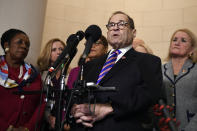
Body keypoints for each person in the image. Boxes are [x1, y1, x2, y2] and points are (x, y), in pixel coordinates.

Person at [70, 11, 163, 131]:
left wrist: (109, 108)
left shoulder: (147, 61)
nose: (115, 28)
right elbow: (76, 96)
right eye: (111, 25)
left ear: (133, 33)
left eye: (121, 24)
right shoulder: (91, 64)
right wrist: (76, 109)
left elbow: (149, 95)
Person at [0, 28, 45, 131]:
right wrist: (7, 128)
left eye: (27, 45)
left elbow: (41, 103)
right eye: (19, 42)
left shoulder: (33, 74)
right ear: (7, 45)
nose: (24, 46)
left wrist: (28, 128)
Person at [162, 28, 197, 131]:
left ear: (191, 49)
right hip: (164, 127)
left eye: (183, 40)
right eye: (174, 39)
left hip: (190, 126)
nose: (177, 42)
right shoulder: (159, 69)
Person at [37, 38, 69, 130]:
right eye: (54, 50)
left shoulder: (70, 74)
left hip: (65, 122)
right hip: (45, 123)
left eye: (61, 49)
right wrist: (48, 118)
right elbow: (39, 102)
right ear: (48, 53)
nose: (59, 52)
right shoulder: (42, 75)